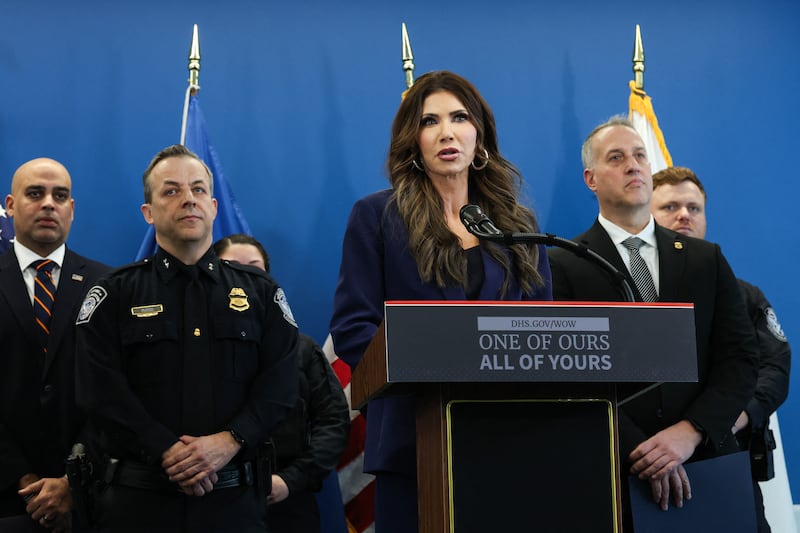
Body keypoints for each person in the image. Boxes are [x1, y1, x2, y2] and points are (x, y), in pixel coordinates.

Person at [329, 70, 553, 533]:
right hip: (414, 438)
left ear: (480, 136)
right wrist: (425, 375)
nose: (446, 131)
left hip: (505, 438)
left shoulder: (517, 224)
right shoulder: (377, 216)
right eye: (430, 121)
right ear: (414, 140)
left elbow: (541, 327)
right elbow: (354, 328)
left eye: (459, 117)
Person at [74, 145, 299, 532]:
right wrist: (164, 448)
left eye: (197, 190)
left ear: (213, 206)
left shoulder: (261, 293)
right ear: (148, 212)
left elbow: (281, 386)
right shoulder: (114, 293)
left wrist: (229, 441)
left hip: (234, 507)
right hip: (137, 507)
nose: (188, 200)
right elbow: (98, 389)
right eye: (171, 190)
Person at [547, 116, 759, 527]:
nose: (634, 165)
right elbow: (566, 377)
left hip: (706, 460)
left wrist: (690, 432)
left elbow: (740, 359)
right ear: (591, 179)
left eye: (640, 155)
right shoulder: (562, 264)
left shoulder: (705, 258)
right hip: (615, 471)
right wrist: (643, 450)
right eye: (617, 157)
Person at [651, 166, 791, 532]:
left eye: (694, 208)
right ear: (645, 213)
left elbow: (774, 369)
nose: (684, 215)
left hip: (730, 455)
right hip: (650, 459)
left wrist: (723, 420)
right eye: (670, 207)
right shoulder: (631, 293)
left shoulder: (743, 294)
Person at [214, 233, 350, 533]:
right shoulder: (192, 351)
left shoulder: (300, 350)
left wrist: (292, 479)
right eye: (232, 266)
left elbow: (334, 422)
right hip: (211, 501)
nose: (245, 275)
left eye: (254, 267)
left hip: (287, 502)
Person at [0, 158, 109, 531]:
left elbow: (120, 392)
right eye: (35, 193)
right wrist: (21, 478)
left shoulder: (110, 285)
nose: (49, 203)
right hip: (6, 496)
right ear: (10, 205)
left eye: (60, 195)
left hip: (93, 497)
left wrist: (72, 481)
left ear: (72, 209)